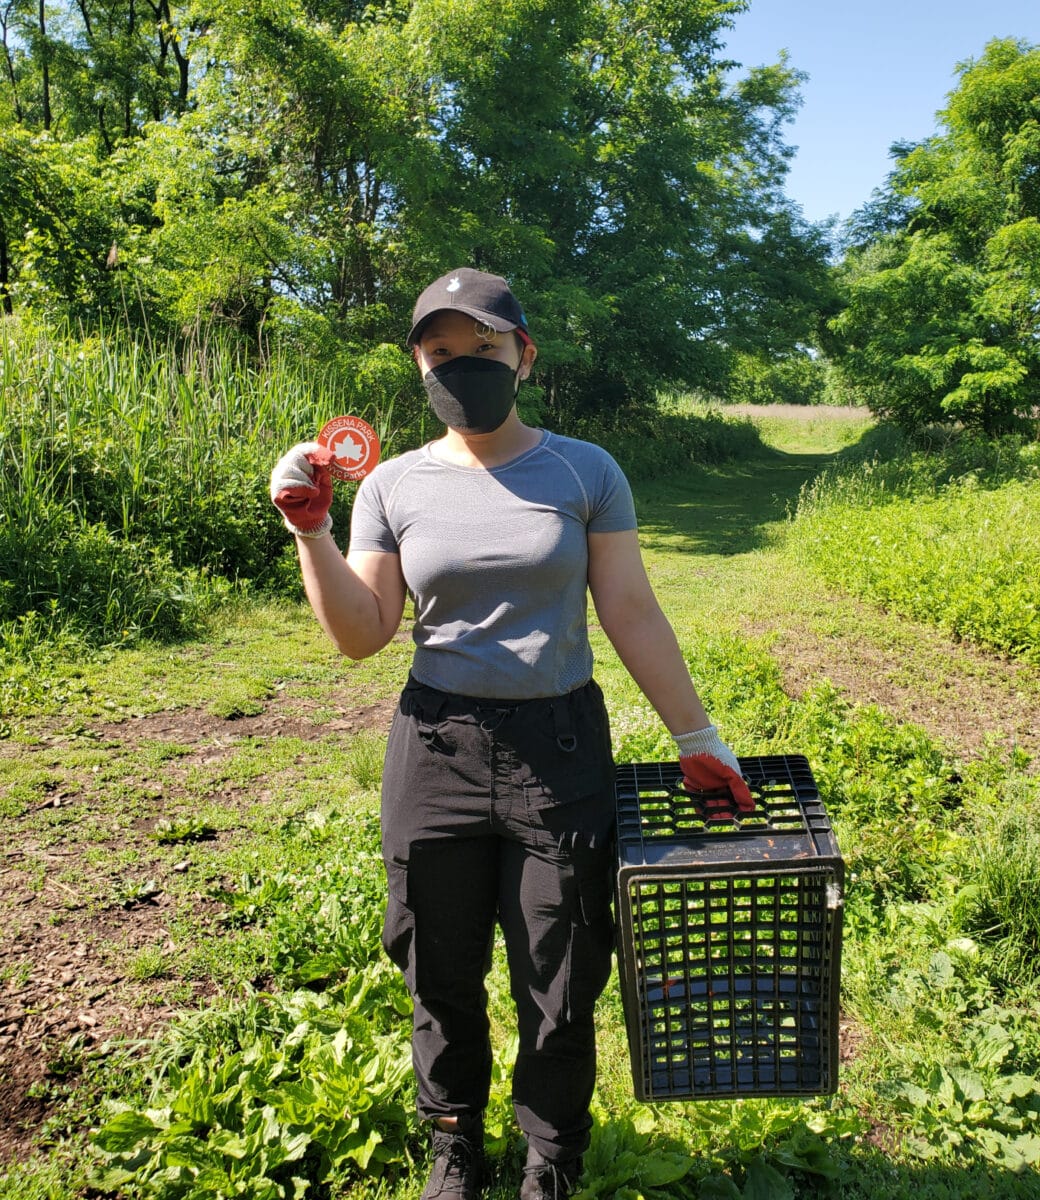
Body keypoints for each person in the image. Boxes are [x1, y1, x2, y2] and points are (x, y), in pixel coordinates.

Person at [269, 268, 752, 1200]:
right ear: (420, 365)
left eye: (482, 347)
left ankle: (550, 1159)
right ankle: (454, 1147)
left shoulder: (584, 470)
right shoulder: (394, 483)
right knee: (436, 969)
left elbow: (631, 610)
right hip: (436, 745)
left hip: (559, 749)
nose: (462, 366)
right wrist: (312, 530)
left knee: (561, 980)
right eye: (440, 351)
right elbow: (360, 635)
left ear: (523, 354)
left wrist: (699, 734)